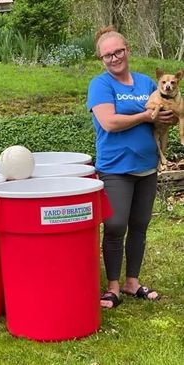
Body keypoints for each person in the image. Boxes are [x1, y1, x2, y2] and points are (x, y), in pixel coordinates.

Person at [87, 25, 175, 309]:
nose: (114, 58)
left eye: (119, 52)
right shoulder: (100, 85)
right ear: (101, 58)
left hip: (147, 167)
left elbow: (164, 117)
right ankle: (112, 286)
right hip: (116, 168)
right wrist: (147, 116)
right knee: (115, 225)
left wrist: (170, 117)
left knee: (140, 225)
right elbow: (109, 123)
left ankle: (132, 282)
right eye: (107, 55)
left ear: (128, 51)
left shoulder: (147, 82)